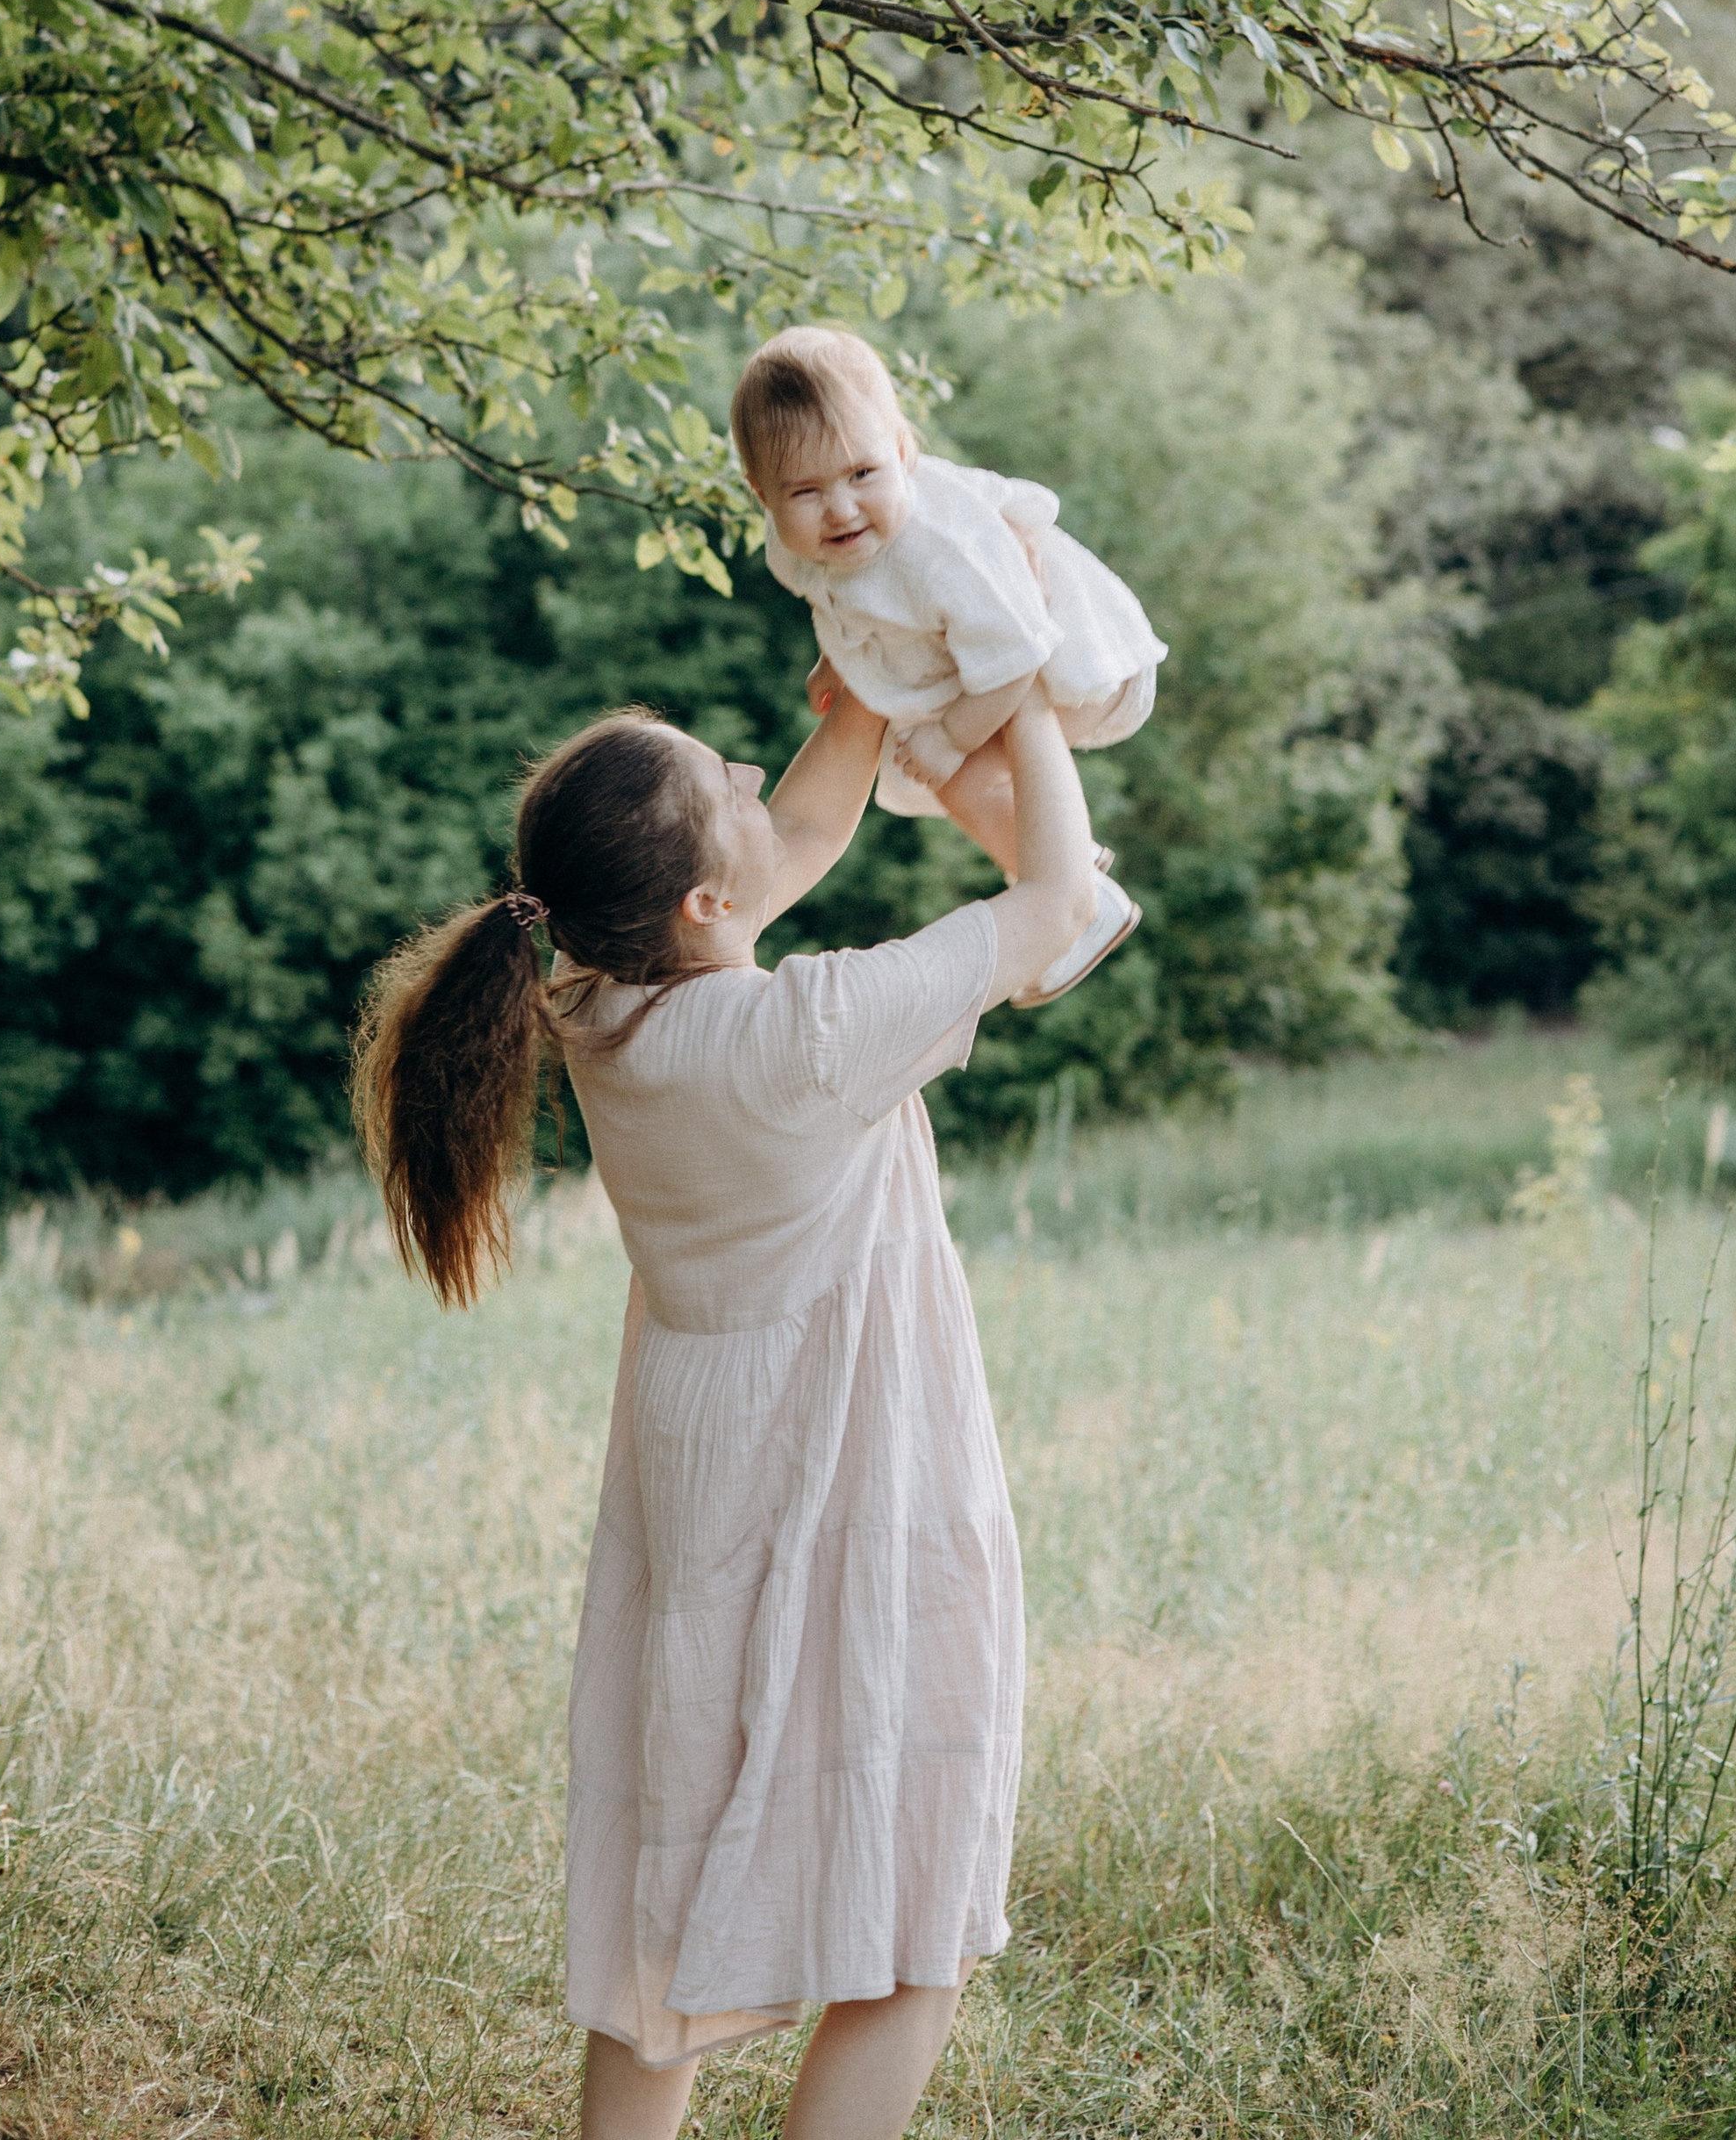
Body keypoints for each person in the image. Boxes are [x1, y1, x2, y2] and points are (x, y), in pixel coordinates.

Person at [351, 675, 1100, 2140]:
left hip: (706, 1490)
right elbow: (1060, 899)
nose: (767, 773)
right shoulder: (808, 1035)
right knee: (908, 1925)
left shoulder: (599, 1008)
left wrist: (878, 683)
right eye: (733, 783)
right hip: (851, 1477)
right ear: (700, 902)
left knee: (664, 1917)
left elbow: (793, 836)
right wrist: (1022, 691)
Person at [731, 323, 1165, 1003]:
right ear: (763, 494)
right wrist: (837, 660)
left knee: (950, 766)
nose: (841, 508)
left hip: (1071, 653)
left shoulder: (940, 547)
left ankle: (1077, 894)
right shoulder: (799, 547)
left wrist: (949, 734)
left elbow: (1022, 654)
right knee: (947, 764)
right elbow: (841, 596)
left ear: (903, 452)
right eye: (805, 492)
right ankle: (1063, 868)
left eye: (863, 473)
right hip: (978, 654)